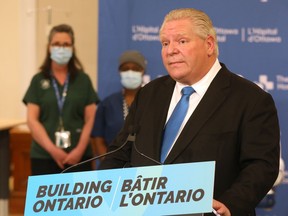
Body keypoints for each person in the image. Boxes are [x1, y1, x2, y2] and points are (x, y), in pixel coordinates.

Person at [99, 8, 280, 216]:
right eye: (165, 43)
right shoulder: (149, 93)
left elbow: (261, 165)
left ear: (209, 45)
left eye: (181, 41)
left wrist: (230, 203)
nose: (170, 50)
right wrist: (100, 194)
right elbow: (119, 152)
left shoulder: (251, 99)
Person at [23, 24, 99, 175]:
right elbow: (32, 120)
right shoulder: (38, 80)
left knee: (78, 199)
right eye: (56, 44)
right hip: (44, 156)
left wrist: (79, 150)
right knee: (44, 199)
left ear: (72, 48)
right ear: (49, 47)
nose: (61, 48)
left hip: (80, 157)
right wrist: (53, 150)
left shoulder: (83, 80)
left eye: (66, 44)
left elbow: (91, 119)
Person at [91, 50, 147, 164]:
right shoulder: (107, 104)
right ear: (119, 71)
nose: (130, 72)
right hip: (113, 169)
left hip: (145, 168)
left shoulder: (152, 101)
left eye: (135, 68)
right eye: (125, 68)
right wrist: (109, 162)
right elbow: (97, 138)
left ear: (143, 71)